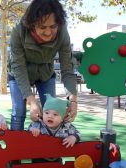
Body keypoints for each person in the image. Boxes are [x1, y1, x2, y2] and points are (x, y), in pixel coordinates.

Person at [8, 0, 78, 135]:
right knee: (19, 111)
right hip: (19, 74)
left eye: (53, 26)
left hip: (45, 73)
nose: (48, 32)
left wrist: (73, 100)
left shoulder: (63, 33)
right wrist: (31, 100)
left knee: (52, 110)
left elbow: (67, 69)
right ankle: (15, 153)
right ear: (32, 24)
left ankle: (49, 152)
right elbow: (18, 67)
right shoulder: (18, 32)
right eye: (42, 27)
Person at [27, 94, 81, 168]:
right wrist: (33, 132)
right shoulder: (38, 124)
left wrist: (74, 137)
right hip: (40, 157)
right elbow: (27, 133)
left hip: (56, 156)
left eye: (55, 114)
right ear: (42, 114)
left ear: (62, 117)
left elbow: (77, 133)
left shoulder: (66, 126)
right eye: (46, 113)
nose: (50, 116)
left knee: (60, 167)